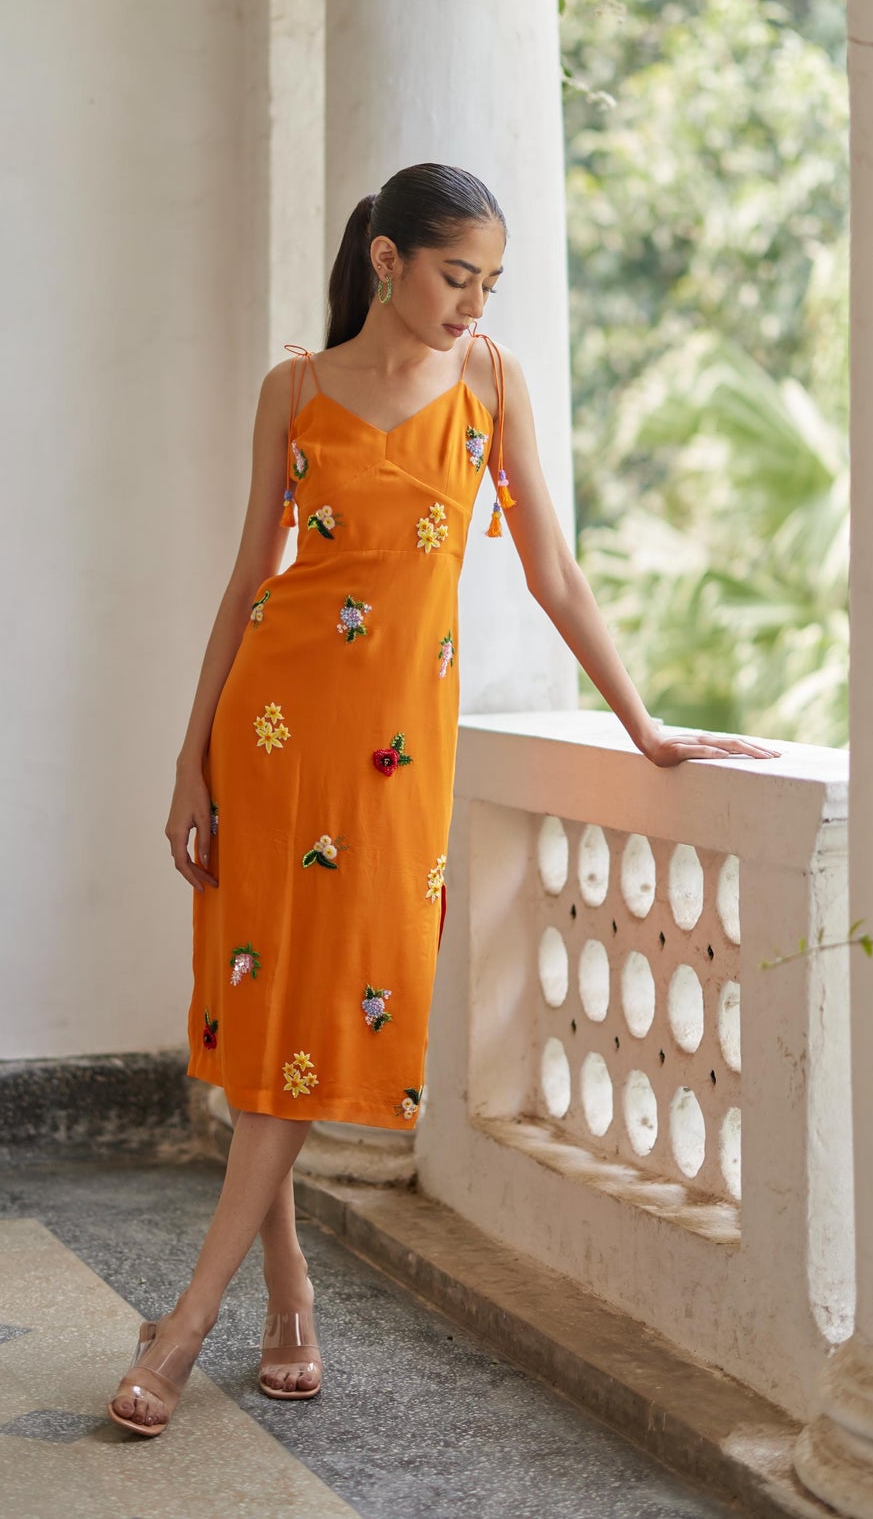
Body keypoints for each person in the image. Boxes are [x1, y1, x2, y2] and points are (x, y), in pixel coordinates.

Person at [107, 161, 779, 1436]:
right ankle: (274, 1301)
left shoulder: (491, 385)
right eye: (453, 273)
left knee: (317, 1012)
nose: (473, 300)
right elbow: (251, 578)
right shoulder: (294, 389)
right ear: (386, 261)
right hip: (274, 726)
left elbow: (552, 569)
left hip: (393, 759)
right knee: (276, 1020)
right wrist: (189, 757)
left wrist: (639, 720)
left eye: (488, 280)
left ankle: (192, 1316)